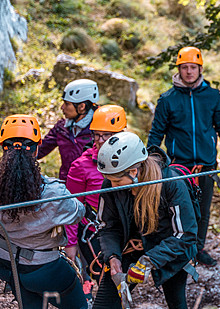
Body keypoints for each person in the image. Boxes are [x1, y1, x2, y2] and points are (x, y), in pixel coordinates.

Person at [146, 46, 220, 267]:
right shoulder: (167, 99)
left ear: (200, 68)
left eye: (193, 67)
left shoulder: (212, 96)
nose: (189, 72)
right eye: (185, 67)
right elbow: (157, 132)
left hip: (206, 165)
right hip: (179, 165)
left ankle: (198, 249)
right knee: (178, 209)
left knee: (203, 211)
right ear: (179, 69)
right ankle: (179, 249)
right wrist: (150, 160)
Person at [93, 131, 198, 309]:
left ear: (134, 171)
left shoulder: (172, 184)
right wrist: (112, 257)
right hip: (130, 247)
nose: (112, 186)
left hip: (170, 251)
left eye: (117, 181)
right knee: (103, 305)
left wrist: (149, 260)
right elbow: (108, 226)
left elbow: (185, 233)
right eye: (109, 180)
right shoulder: (111, 184)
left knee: (176, 303)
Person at [0, 114, 87, 309]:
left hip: (8, 266)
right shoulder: (53, 192)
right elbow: (78, 212)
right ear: (37, 147)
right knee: (79, 305)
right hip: (45, 268)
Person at [65, 105, 128, 281]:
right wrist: (70, 244)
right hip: (96, 233)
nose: (100, 140)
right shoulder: (81, 166)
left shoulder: (132, 161)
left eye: (106, 135)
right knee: (108, 282)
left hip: (126, 232)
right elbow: (72, 206)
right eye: (97, 134)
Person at [38, 79, 99, 180]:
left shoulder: (100, 130)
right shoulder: (61, 128)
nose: (62, 107)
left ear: (82, 107)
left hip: (90, 186)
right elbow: (40, 149)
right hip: (66, 183)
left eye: (66, 103)